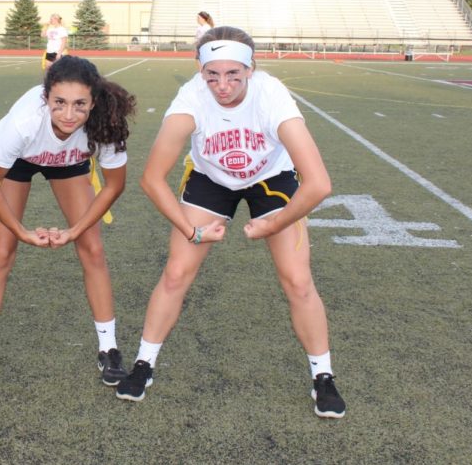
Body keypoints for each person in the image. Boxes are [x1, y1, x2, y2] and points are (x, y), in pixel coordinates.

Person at [115, 26, 346, 419]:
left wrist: (272, 226)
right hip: (211, 179)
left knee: (297, 280)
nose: (222, 85)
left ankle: (323, 376)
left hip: (270, 178)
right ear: (199, 71)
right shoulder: (191, 97)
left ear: (251, 68)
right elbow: (151, 179)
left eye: (233, 74)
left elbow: (319, 183)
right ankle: (144, 363)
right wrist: (192, 231)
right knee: (175, 273)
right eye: (212, 75)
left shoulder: (271, 95)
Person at [0, 55, 136, 397]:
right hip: (20, 161)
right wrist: (21, 231)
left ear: (94, 101)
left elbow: (115, 185)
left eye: (79, 104)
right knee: (1, 253)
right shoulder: (26, 123)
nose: (69, 114)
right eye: (59, 103)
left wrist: (75, 231)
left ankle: (109, 349)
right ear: (46, 97)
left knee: (93, 248)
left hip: (70, 160)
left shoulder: (103, 122)